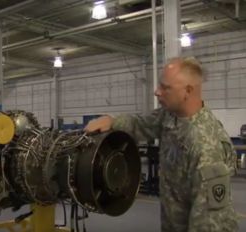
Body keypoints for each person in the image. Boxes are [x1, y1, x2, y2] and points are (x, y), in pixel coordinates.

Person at [85, 57, 238, 231]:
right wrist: (112, 121)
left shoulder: (206, 146)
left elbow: (210, 224)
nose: (157, 92)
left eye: (165, 87)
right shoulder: (170, 115)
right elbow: (141, 125)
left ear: (187, 91)